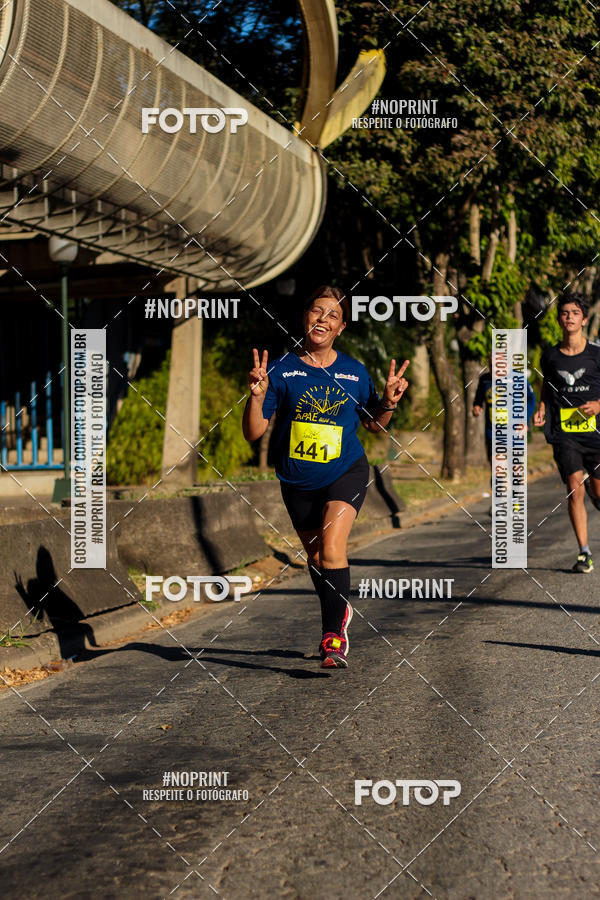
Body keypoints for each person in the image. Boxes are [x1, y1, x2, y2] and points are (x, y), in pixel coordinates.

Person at [242, 285, 409, 668]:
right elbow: (253, 433)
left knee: (333, 548)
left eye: (331, 315)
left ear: (341, 327)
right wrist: (255, 395)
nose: (322, 318)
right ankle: (336, 615)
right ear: (305, 318)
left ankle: (333, 637)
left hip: (345, 471)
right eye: (317, 311)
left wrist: (387, 403)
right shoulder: (282, 370)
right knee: (316, 557)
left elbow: (373, 425)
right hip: (297, 480)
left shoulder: (353, 372)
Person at [533, 292, 600, 573]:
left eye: (574, 313)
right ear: (560, 319)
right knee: (574, 489)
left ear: (583, 319)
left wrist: (599, 404)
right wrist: (541, 408)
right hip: (565, 432)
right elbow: (547, 388)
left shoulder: (597, 354)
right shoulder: (549, 356)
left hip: (596, 433)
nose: (569, 317)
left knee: (597, 492)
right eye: (564, 313)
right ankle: (584, 552)